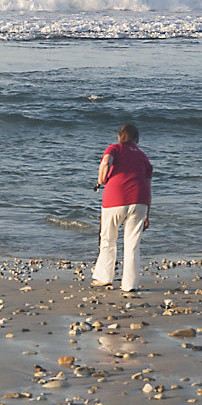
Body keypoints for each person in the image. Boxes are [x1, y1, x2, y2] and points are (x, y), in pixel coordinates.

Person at [91, 123, 152, 291]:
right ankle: (130, 285)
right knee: (132, 243)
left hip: (114, 198)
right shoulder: (143, 156)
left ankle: (104, 277)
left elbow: (105, 162)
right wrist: (148, 213)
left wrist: (101, 180)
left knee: (108, 239)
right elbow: (148, 185)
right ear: (137, 139)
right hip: (140, 199)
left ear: (119, 137)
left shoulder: (114, 148)